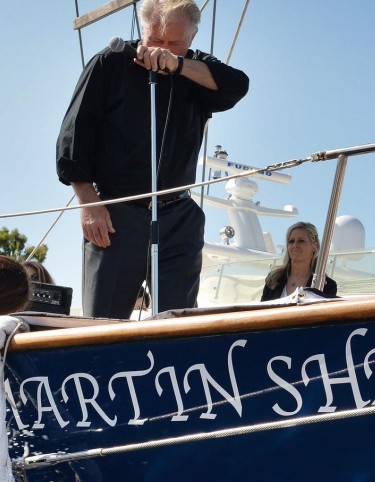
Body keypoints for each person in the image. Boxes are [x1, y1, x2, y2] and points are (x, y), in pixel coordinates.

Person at [56, 0, 249, 320]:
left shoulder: (197, 68)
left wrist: (178, 65)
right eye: (155, 41)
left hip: (179, 215)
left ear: (192, 36)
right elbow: (73, 136)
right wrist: (89, 202)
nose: (162, 50)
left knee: (178, 322)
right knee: (104, 322)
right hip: (117, 213)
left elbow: (237, 85)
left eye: (175, 43)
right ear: (142, 29)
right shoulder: (109, 63)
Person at [261, 222, 338, 300]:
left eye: (301, 241)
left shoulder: (327, 285)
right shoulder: (274, 279)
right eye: (291, 241)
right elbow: (261, 310)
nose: (295, 245)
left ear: (315, 246)